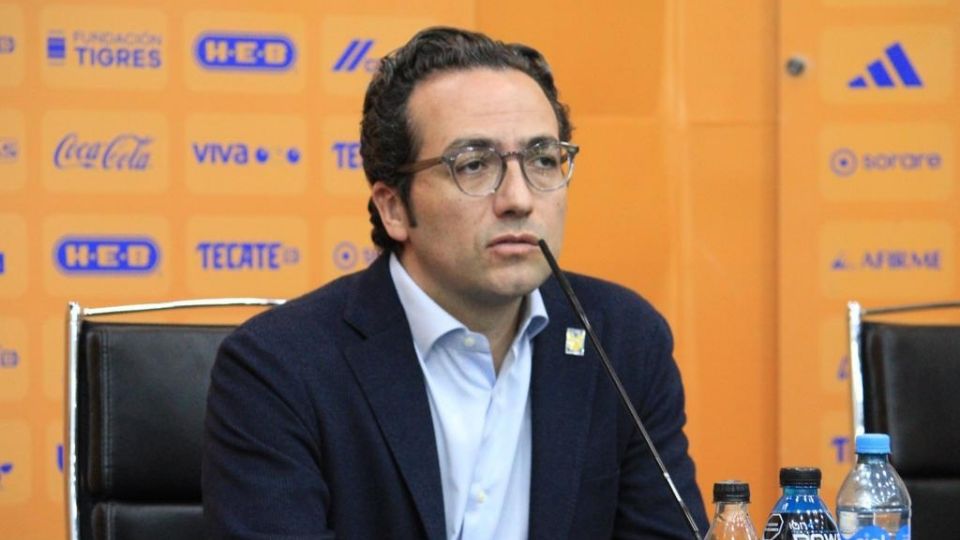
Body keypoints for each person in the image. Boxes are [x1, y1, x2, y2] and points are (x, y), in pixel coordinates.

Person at [202, 26, 708, 540]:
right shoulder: (279, 367)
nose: (518, 198)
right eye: (473, 164)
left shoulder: (621, 341)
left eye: (541, 160)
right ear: (394, 207)